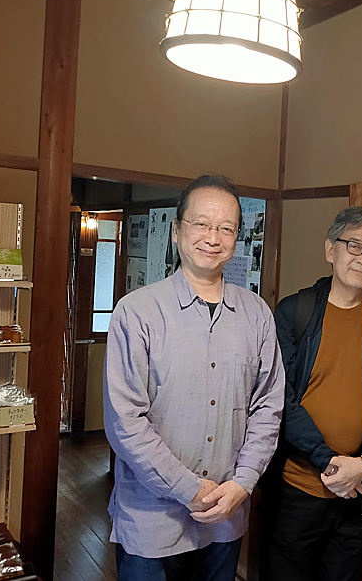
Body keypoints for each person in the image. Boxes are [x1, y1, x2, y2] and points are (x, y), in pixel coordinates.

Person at [103, 175, 285, 580]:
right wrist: (189, 489)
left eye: (226, 228)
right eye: (201, 224)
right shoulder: (137, 312)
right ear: (177, 230)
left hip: (226, 516)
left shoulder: (257, 314)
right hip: (152, 521)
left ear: (237, 237)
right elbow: (124, 422)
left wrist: (243, 483)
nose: (213, 238)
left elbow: (267, 408)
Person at [263, 206, 362, 581]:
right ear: (331, 250)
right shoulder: (294, 312)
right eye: (354, 246)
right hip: (296, 488)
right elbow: (281, 399)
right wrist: (329, 462)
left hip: (358, 491)